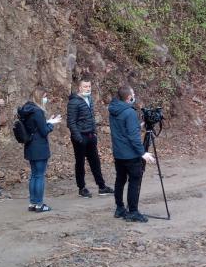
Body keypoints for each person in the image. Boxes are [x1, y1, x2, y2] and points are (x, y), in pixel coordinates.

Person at [108, 86, 156, 222]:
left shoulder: (114, 109)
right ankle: (133, 211)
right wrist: (142, 153)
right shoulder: (129, 112)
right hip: (130, 154)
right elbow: (133, 136)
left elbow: (124, 128)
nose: (134, 95)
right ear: (129, 97)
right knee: (134, 181)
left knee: (120, 180)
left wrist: (140, 124)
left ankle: (119, 208)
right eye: (133, 94)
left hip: (119, 153)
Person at [67, 80, 115, 198]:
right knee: (80, 163)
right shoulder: (74, 102)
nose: (87, 88)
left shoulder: (89, 99)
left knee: (95, 162)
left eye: (89, 86)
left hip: (90, 136)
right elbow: (71, 122)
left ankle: (102, 187)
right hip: (80, 137)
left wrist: (94, 133)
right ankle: (81, 188)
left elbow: (91, 118)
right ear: (79, 87)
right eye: (85, 86)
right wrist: (78, 137)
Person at [18, 95, 61, 212]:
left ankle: (32, 202)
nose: (45, 99)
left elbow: (34, 126)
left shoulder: (25, 110)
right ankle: (39, 204)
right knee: (40, 175)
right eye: (44, 97)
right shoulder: (38, 111)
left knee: (33, 175)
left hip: (30, 146)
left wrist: (47, 121)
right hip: (40, 147)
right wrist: (52, 124)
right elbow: (44, 131)